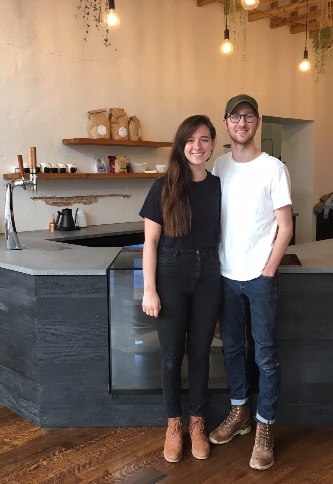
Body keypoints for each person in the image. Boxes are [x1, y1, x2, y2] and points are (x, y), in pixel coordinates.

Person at [209, 94, 293, 471]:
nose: (241, 123)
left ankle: (264, 426)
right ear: (225, 123)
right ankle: (239, 412)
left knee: (265, 355)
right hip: (225, 276)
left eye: (248, 116)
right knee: (230, 350)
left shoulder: (274, 168)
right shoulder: (218, 166)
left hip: (260, 278)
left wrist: (269, 270)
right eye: (234, 117)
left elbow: (285, 227)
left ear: (256, 122)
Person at [139, 115, 222, 463]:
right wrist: (149, 290)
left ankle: (198, 422)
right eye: (191, 140)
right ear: (181, 144)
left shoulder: (219, 186)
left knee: (201, 353)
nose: (198, 146)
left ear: (213, 144)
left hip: (209, 275)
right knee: (172, 355)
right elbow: (150, 243)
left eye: (204, 140)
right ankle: (174, 423)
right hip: (171, 274)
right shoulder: (163, 186)